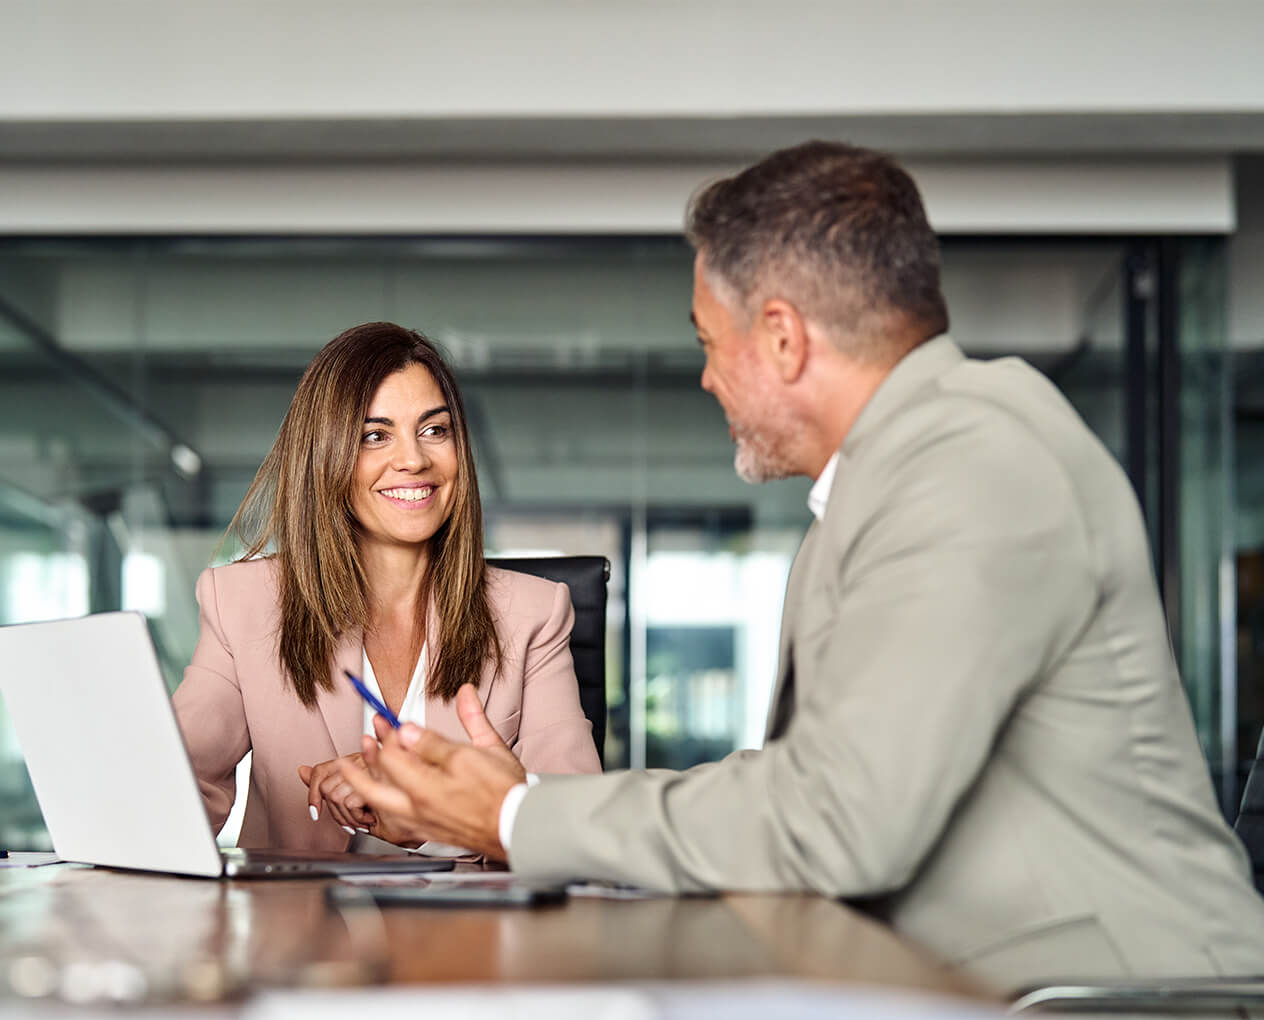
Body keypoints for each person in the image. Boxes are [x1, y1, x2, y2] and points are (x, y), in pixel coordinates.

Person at [336, 143, 1264, 989]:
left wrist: (514, 818)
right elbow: (802, 785)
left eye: (710, 343)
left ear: (782, 338)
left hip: (1126, 999)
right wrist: (529, 798)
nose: (706, 379)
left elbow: (836, 820)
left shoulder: (973, 464)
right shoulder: (885, 487)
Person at [173, 322, 600, 853]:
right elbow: (172, 794)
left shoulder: (534, 613)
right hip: (298, 933)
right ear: (325, 457)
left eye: (434, 430)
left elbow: (579, 825)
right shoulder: (243, 603)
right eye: (375, 435)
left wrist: (428, 811)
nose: (414, 460)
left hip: (477, 934)